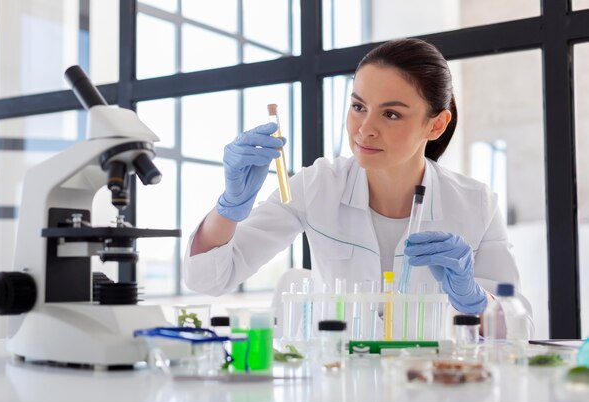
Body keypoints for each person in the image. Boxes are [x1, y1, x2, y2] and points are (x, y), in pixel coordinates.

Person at [184, 38, 533, 335]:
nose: (365, 129)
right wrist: (229, 207)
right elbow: (208, 281)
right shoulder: (316, 186)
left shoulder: (476, 204)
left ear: (437, 124)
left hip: (429, 387)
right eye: (358, 106)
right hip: (336, 388)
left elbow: (521, 330)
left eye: (391, 114)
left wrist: (474, 298)